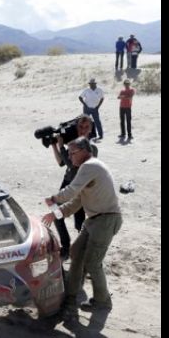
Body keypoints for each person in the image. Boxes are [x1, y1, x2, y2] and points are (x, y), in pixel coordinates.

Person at [41, 137, 122, 323]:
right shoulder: (87, 171)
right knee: (76, 252)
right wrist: (56, 214)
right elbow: (76, 202)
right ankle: (70, 296)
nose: (69, 157)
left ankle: (103, 301)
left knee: (93, 263)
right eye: (68, 153)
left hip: (106, 220)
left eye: (72, 152)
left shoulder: (90, 165)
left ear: (85, 151)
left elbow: (70, 191)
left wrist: (54, 198)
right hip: (94, 221)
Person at [50, 116, 98, 260]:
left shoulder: (91, 148)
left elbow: (73, 165)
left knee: (80, 223)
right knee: (56, 215)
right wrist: (54, 145)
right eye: (80, 127)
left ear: (91, 129)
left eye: (86, 127)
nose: (83, 130)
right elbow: (61, 163)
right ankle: (66, 247)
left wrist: (61, 147)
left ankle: (84, 253)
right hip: (67, 183)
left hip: (80, 188)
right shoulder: (73, 145)